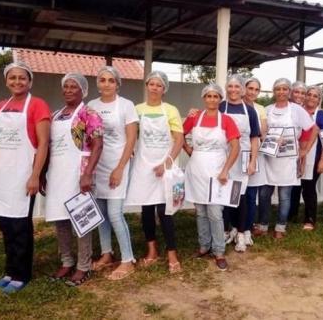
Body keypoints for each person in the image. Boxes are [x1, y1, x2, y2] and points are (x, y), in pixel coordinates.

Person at [0, 62, 51, 294]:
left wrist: (35, 175)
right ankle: (9, 271)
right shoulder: (0, 105)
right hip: (0, 174)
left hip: (22, 174)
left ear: (29, 82)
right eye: (13, 78)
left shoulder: (38, 105)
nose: (17, 82)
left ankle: (21, 275)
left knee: (20, 225)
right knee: (5, 224)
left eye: (22, 78)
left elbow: (43, 143)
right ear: (6, 80)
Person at [45, 73, 103, 286]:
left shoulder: (89, 113)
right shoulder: (55, 115)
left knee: (81, 220)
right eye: (66, 86)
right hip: (57, 172)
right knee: (60, 219)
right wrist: (43, 173)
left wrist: (87, 173)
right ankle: (67, 261)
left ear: (83, 91)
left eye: (74, 87)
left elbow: (98, 145)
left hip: (79, 172)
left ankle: (83, 266)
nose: (69, 90)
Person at [126, 71, 184, 273]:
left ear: (164, 89)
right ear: (146, 85)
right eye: (152, 84)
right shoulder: (137, 109)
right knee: (147, 210)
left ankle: (172, 252)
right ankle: (152, 248)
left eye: (159, 85)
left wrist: (167, 162)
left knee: (165, 209)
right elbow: (132, 136)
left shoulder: (170, 110)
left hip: (164, 164)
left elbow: (179, 139)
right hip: (144, 166)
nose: (155, 88)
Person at [183, 84, 240, 271]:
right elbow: (179, 135)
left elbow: (235, 147)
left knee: (215, 212)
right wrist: (189, 150)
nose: (212, 99)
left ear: (220, 99)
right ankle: (204, 246)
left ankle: (219, 250)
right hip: (197, 170)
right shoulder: (194, 117)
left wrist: (225, 170)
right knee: (200, 211)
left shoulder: (226, 120)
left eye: (216, 96)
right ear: (204, 98)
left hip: (217, 171)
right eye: (209, 96)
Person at [88, 66, 138, 280]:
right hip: (97, 164)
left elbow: (131, 140)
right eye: (102, 80)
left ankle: (128, 260)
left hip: (118, 162)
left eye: (110, 80)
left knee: (116, 213)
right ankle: (106, 253)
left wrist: (119, 168)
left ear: (117, 84)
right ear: (97, 83)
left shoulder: (126, 105)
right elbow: (88, 138)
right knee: (101, 214)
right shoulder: (91, 105)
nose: (106, 84)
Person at [258, 78, 317, 239]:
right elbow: (261, 131)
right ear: (273, 91)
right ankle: (262, 225)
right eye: (278, 89)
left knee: (285, 195)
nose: (281, 92)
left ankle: (280, 227)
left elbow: (311, 129)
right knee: (264, 194)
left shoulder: (297, 110)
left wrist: (304, 150)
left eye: (285, 89)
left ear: (289, 91)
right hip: (269, 157)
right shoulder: (267, 109)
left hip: (288, 158)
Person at [219, 75, 260, 252]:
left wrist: (253, 161)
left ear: (242, 89)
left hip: (242, 157)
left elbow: (254, 138)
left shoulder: (250, 111)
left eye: (237, 86)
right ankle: (228, 229)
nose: (234, 90)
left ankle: (241, 232)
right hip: (223, 156)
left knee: (240, 196)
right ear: (226, 88)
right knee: (224, 195)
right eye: (230, 86)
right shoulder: (220, 107)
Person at [300, 86, 323, 230]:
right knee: (295, 188)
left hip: (314, 158)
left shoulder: (322, 115)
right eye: (309, 95)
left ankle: (310, 219)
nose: (311, 98)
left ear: (319, 99)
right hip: (296, 155)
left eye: (315, 96)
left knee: (308, 188)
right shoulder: (298, 112)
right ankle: (291, 215)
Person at [243, 77, 271, 240]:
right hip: (236, 153)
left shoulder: (260, 108)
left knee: (251, 194)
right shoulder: (234, 105)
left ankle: (247, 227)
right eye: (250, 88)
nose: (252, 92)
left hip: (255, 153)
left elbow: (262, 131)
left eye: (256, 89)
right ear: (244, 88)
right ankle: (234, 226)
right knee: (237, 193)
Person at [287, 80, 307, 221]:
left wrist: (303, 154)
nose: (299, 95)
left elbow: (309, 133)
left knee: (295, 183)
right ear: (290, 93)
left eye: (302, 93)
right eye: (296, 92)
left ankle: (291, 214)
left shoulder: (303, 111)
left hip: (298, 149)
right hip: (282, 150)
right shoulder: (282, 107)